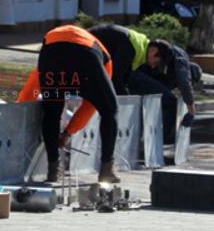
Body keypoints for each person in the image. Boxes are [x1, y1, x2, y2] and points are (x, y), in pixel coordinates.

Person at [17, 24, 121, 184]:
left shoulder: (57, 44)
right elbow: (90, 106)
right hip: (85, 54)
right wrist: (68, 133)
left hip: (51, 49)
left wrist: (18, 111)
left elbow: (33, 84)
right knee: (110, 109)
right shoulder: (107, 62)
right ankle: (107, 169)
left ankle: (53, 170)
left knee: (52, 110)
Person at [137, 39, 198, 145]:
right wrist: (191, 111)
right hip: (137, 76)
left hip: (140, 75)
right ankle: (162, 138)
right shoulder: (180, 59)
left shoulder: (170, 60)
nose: (154, 65)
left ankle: (155, 134)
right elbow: (184, 84)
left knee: (164, 99)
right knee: (170, 102)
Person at [89, 23, 150, 95]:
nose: (153, 66)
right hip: (86, 44)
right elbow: (116, 78)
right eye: (156, 63)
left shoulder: (137, 45)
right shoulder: (130, 48)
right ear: (154, 50)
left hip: (91, 44)